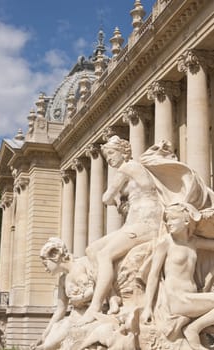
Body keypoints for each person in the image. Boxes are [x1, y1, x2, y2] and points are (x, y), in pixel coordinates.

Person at [79, 135, 164, 325]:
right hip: (134, 223)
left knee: (104, 255)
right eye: (106, 155)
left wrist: (117, 197)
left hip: (148, 222)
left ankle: (95, 307)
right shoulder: (129, 170)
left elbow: (106, 197)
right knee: (92, 250)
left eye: (111, 153)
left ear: (124, 152)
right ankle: (112, 297)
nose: (109, 159)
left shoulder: (129, 166)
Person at [141, 203, 214, 350]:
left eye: (173, 219)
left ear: (186, 221)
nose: (168, 223)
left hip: (191, 297)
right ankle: (193, 329)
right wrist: (147, 307)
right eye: (167, 220)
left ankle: (194, 328)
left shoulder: (193, 242)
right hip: (177, 299)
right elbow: (153, 275)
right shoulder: (166, 243)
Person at [31, 237, 94, 350]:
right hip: (73, 317)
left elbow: (96, 290)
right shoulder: (62, 280)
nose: (46, 269)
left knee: (49, 345)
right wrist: (44, 335)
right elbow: (60, 310)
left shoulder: (82, 265)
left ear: (55, 255)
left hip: (88, 315)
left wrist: (80, 298)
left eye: (45, 264)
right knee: (53, 334)